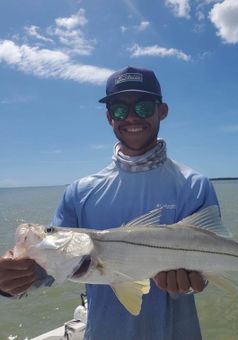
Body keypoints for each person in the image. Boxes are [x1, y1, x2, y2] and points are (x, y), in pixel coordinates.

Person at [0, 66, 220, 339]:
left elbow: (207, 272)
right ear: (108, 118)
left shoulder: (194, 185)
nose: (130, 117)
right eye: (118, 109)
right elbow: (51, 269)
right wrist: (13, 281)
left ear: (162, 111)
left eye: (142, 107)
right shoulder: (80, 192)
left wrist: (192, 282)